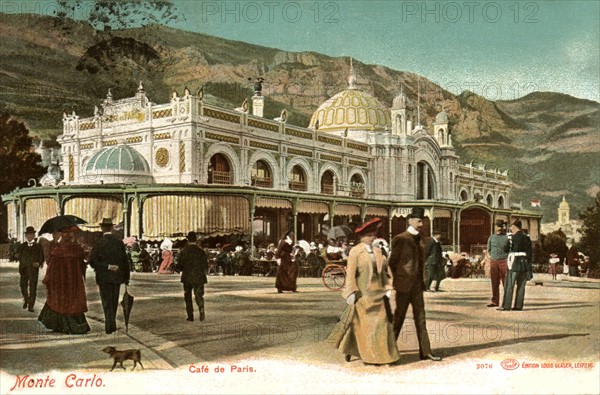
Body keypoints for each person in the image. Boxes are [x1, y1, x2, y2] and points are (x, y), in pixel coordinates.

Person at [327, 218, 399, 365]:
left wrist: (389, 287)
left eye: (374, 234)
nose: (373, 237)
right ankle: (368, 356)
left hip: (378, 294)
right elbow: (351, 273)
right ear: (362, 237)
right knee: (364, 326)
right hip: (363, 294)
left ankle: (383, 355)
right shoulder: (355, 252)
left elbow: (385, 272)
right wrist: (351, 292)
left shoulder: (379, 251)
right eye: (370, 235)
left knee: (381, 325)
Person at [388, 207, 442, 361]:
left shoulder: (421, 238)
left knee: (421, 318)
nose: (421, 224)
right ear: (410, 220)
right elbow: (392, 262)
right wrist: (398, 279)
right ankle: (388, 350)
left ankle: (426, 352)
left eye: (422, 221)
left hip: (418, 285)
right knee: (399, 318)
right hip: (404, 285)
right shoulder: (400, 238)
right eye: (419, 221)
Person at [38, 224, 90, 334]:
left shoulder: (58, 248)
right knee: (72, 299)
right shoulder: (75, 248)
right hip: (73, 281)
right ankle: (73, 326)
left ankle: (60, 325)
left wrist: (49, 278)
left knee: (61, 300)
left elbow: (51, 266)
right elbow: (82, 264)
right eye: (68, 233)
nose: (69, 235)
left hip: (61, 281)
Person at [89, 218, 130, 334]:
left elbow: (92, 262)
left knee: (106, 301)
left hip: (103, 277)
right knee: (114, 300)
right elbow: (125, 261)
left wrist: (107, 266)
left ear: (102, 228)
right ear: (111, 228)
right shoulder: (118, 242)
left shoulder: (98, 243)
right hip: (117, 277)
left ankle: (109, 324)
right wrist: (126, 278)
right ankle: (112, 324)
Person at [498, 219, 532, 311]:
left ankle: (506, 305)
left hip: (514, 263)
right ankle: (518, 306)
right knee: (521, 286)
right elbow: (530, 253)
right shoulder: (527, 237)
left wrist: (507, 240)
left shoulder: (511, 237)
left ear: (514, 227)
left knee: (509, 284)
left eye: (511, 227)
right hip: (524, 263)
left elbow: (505, 249)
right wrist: (529, 267)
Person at [175, 232, 208, 322]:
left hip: (187, 277)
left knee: (188, 296)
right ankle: (201, 308)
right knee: (199, 295)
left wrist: (178, 269)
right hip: (199, 276)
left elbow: (180, 265)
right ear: (196, 239)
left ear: (188, 239)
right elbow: (205, 265)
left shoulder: (184, 251)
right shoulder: (201, 251)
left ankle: (190, 316)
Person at [17, 226, 45, 312]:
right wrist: (18, 257)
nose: (29, 236)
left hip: (33, 269)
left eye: (31, 235)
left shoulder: (38, 246)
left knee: (33, 288)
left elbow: (41, 257)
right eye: (28, 235)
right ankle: (27, 299)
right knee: (23, 286)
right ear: (26, 236)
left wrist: (39, 263)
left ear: (34, 236)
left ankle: (31, 306)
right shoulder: (22, 246)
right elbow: (18, 255)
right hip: (24, 269)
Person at [486, 220, 509, 307]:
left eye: (501, 226)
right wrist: (491, 257)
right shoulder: (491, 237)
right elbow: (489, 249)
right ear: (495, 227)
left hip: (504, 261)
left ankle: (506, 302)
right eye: (497, 226)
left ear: (503, 227)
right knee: (494, 282)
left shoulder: (507, 237)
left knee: (505, 282)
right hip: (494, 261)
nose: (499, 228)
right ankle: (495, 301)